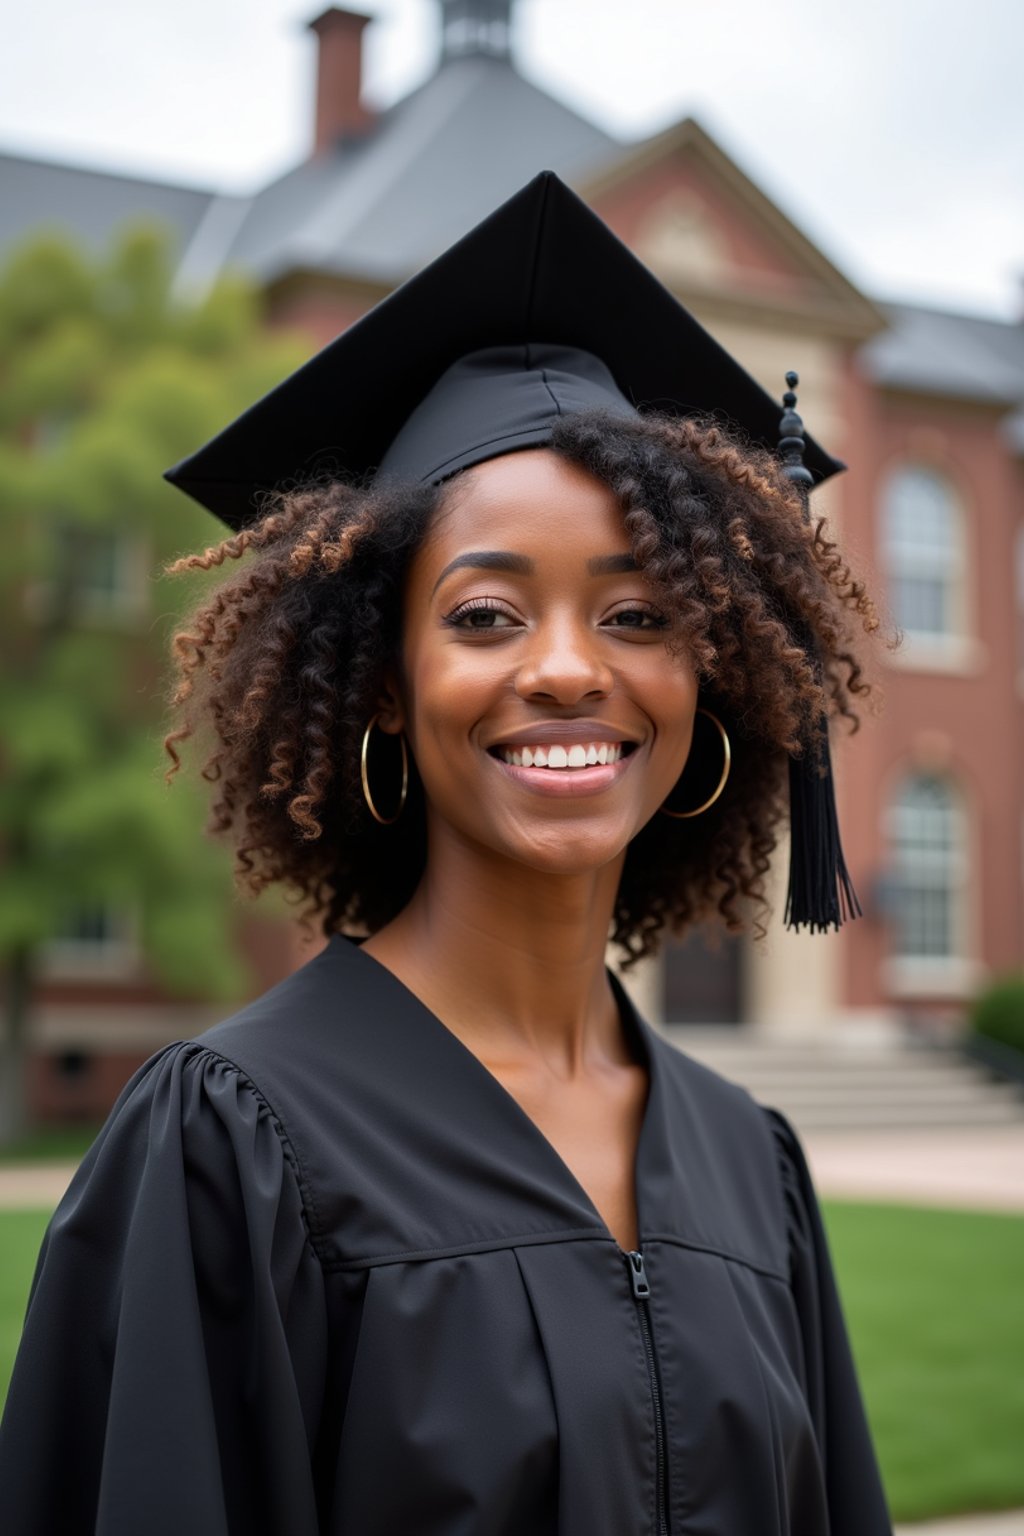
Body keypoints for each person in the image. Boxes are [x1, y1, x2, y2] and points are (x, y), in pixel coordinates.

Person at [0, 172, 892, 1535]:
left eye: (640, 612)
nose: (568, 670)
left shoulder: (745, 1158)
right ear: (376, 681)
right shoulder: (229, 1144)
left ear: (711, 677)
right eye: (485, 614)